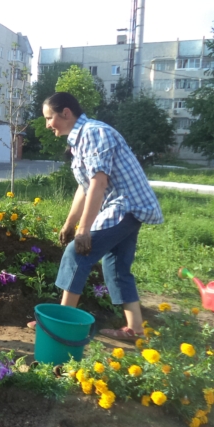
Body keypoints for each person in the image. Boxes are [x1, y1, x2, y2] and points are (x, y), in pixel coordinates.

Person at [30, 92, 163, 341]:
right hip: (126, 208)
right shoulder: (79, 140)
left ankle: (61, 323)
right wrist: (70, 223)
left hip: (124, 205)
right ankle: (135, 329)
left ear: (66, 113)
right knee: (116, 266)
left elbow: (98, 184)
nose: (47, 124)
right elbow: (84, 186)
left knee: (77, 253)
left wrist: (83, 229)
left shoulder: (93, 132)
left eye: (49, 118)